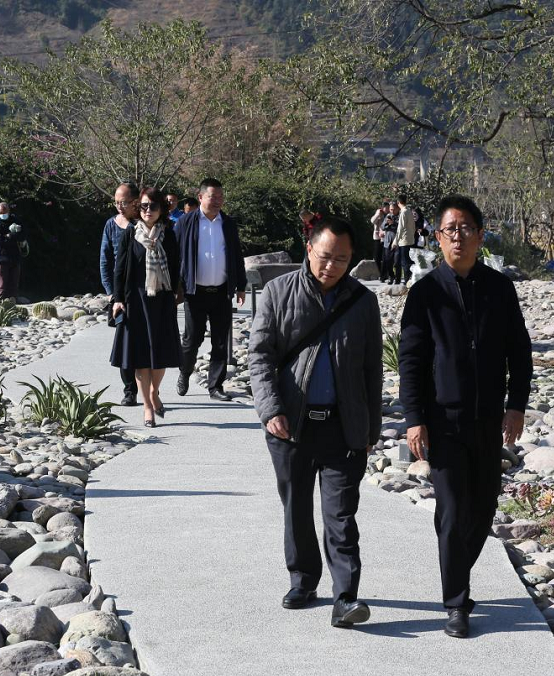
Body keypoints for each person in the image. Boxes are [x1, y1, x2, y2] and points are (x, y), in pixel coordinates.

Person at [398, 194, 532, 639]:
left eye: (466, 228)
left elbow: (519, 352)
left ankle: (454, 564)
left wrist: (516, 405)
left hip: (488, 418)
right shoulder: (425, 293)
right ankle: (457, 602)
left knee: (483, 506)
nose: (458, 236)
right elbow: (411, 361)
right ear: (437, 238)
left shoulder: (499, 288)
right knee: (454, 510)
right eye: (450, 229)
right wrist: (414, 418)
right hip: (443, 420)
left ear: (480, 234)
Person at [249, 217, 382, 628]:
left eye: (341, 259)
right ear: (308, 249)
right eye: (325, 256)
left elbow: (372, 369)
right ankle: (303, 580)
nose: (331, 266)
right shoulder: (277, 292)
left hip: (343, 425)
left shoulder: (362, 302)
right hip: (291, 424)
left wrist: (371, 428)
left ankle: (346, 597)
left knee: (340, 515)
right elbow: (260, 357)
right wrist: (271, 410)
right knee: (297, 508)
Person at [110, 187, 182, 428]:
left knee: (160, 355)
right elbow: (120, 269)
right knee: (140, 356)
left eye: (153, 206)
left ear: (161, 209)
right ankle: (148, 407)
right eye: (143, 206)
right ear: (137, 208)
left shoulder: (168, 235)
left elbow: (176, 266)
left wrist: (175, 294)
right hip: (136, 301)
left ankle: (153, 392)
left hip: (162, 300)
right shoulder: (130, 235)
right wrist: (118, 298)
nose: (148, 210)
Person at [175, 177, 246, 401]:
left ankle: (216, 386)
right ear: (200, 197)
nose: (217, 201)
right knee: (192, 339)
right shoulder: (186, 222)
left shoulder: (228, 223)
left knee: (221, 341)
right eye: (212, 197)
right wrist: (174, 286)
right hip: (195, 292)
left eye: (220, 197)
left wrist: (241, 285)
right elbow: (174, 254)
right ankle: (185, 371)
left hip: (222, 292)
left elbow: (236, 255)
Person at [100, 183, 141, 406]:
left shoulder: (144, 224)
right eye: (116, 202)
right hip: (121, 293)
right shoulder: (111, 225)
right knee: (124, 342)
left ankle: (149, 390)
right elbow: (105, 260)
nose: (119, 206)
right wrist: (112, 293)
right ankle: (129, 390)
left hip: (144, 291)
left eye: (123, 202)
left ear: (135, 201)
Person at [0, 201, 23, 299]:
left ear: (9, 211)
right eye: (1, 213)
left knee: (14, 283)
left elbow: (22, 235)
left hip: (15, 256)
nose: (3, 214)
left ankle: (14, 301)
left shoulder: (15, 220)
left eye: (4, 212)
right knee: (2, 284)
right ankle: (0, 302)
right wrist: (12, 236)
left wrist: (9, 236)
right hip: (2, 257)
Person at [392, 194, 417, 285]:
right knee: (409, 262)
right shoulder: (409, 211)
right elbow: (414, 226)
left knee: (405, 263)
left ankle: (407, 282)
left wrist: (395, 242)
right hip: (410, 240)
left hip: (404, 241)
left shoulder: (403, 212)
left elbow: (400, 229)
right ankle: (410, 281)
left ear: (398, 202)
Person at [380, 201, 400, 283]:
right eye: (391, 209)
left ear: (397, 208)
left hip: (397, 242)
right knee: (388, 261)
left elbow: (400, 228)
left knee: (397, 262)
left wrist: (393, 223)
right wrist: (388, 224)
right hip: (388, 241)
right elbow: (382, 227)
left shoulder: (400, 216)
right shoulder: (388, 216)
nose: (392, 211)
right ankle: (391, 276)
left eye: (393, 209)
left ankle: (398, 279)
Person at [370, 201, 389, 271]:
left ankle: (384, 272)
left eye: (388, 208)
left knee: (385, 256)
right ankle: (377, 271)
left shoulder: (389, 215)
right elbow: (372, 221)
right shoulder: (378, 213)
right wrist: (378, 214)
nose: (387, 209)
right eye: (386, 208)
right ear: (382, 208)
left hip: (385, 237)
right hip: (377, 237)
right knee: (377, 256)